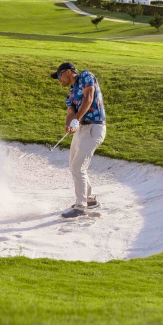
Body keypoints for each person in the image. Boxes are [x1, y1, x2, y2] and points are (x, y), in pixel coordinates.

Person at [50, 62, 106, 219]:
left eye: (60, 75)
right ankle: (90, 199)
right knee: (74, 165)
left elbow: (88, 98)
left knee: (78, 167)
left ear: (69, 72)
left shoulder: (86, 76)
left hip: (94, 127)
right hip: (80, 130)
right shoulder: (71, 93)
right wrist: (69, 124)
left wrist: (77, 119)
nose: (59, 79)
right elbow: (70, 111)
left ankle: (80, 207)